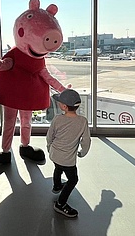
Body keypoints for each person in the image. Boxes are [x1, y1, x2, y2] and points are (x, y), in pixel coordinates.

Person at [46, 89, 91, 218]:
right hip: (68, 160)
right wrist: (83, 152)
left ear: (64, 107)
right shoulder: (82, 121)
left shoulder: (57, 119)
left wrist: (49, 147)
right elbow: (86, 140)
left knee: (58, 168)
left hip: (54, 154)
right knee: (73, 179)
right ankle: (60, 204)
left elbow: (50, 136)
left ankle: (56, 186)